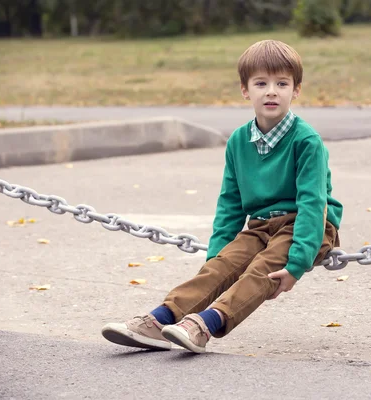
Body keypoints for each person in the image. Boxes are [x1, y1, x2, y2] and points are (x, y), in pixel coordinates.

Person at [101, 39, 343, 353]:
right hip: (259, 226)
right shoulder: (239, 141)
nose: (271, 91)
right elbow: (230, 202)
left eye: (282, 83)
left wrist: (298, 262)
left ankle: (204, 325)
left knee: (262, 270)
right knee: (221, 266)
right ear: (245, 90)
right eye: (261, 83)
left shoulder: (306, 140)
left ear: (295, 90)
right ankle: (161, 320)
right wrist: (217, 254)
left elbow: (313, 202)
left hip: (308, 225)